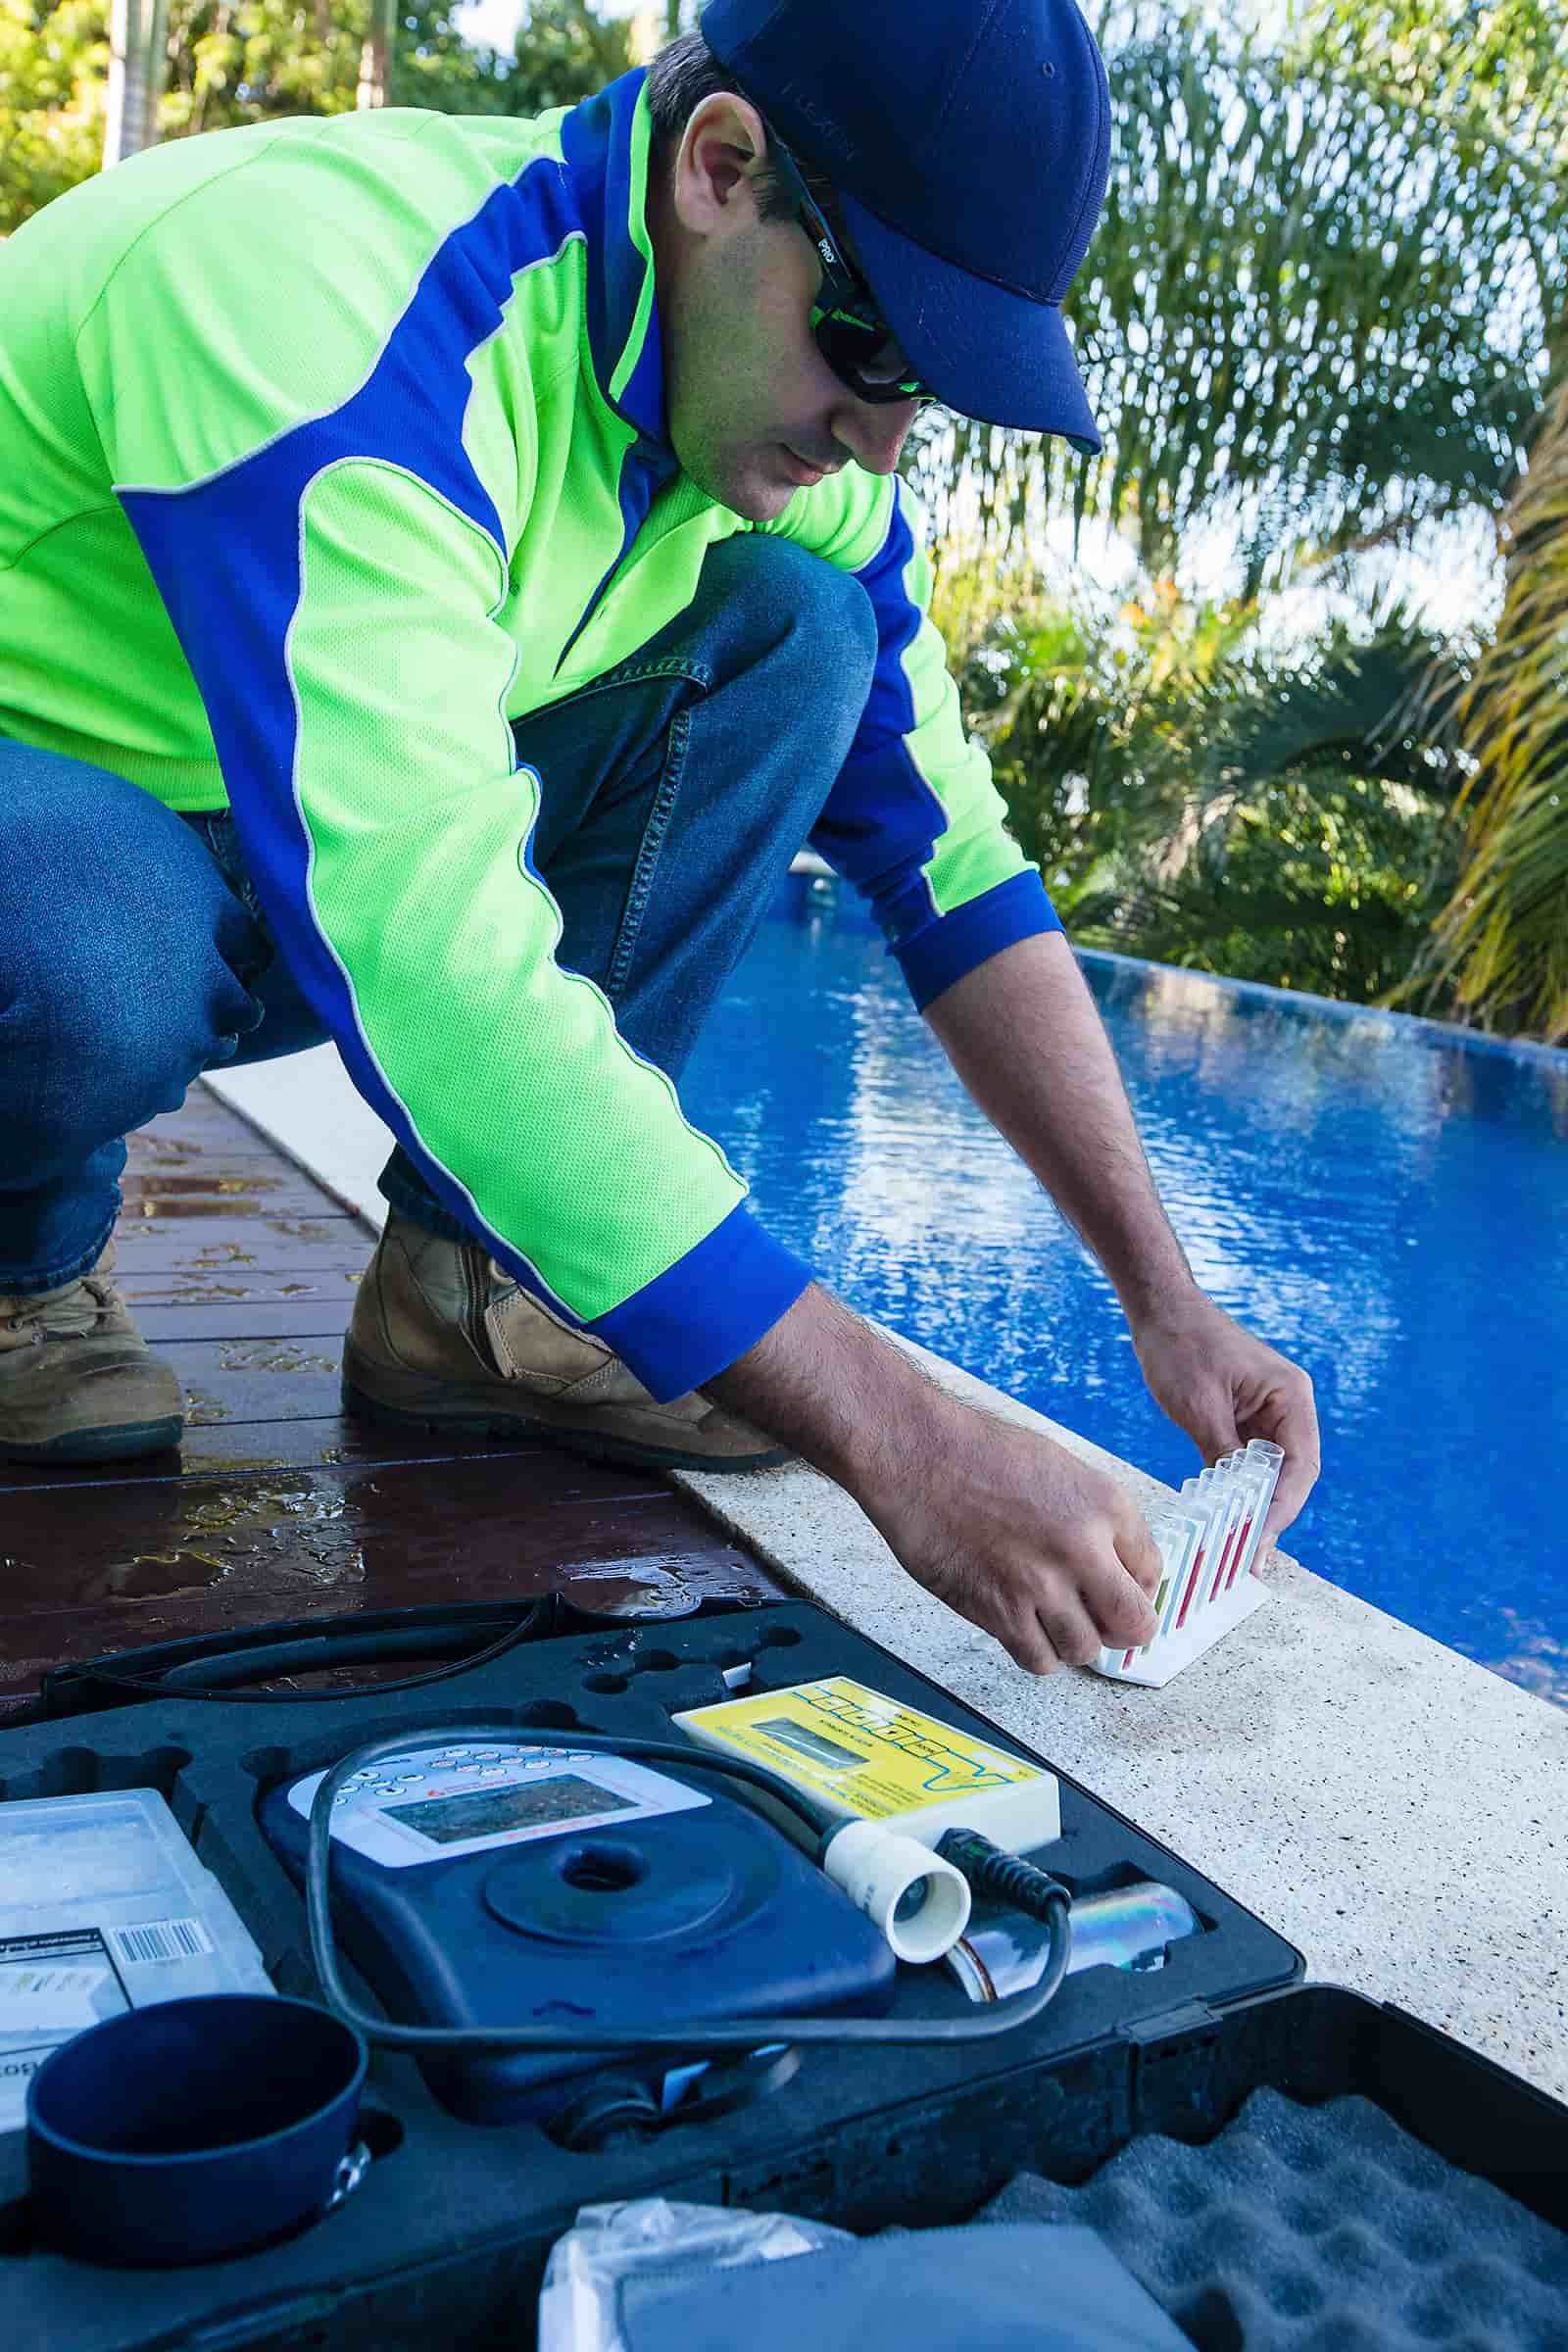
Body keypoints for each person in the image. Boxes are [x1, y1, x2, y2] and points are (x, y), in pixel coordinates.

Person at [0, 0, 1318, 1676]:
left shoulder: (769, 435)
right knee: (87, 935)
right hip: (51, 818)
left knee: (797, 635)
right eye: (875, 346)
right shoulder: (333, 306)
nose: (879, 434)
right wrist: (901, 1440)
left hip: (245, 850)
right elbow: (441, 978)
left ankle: (479, 1299)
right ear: (719, 169)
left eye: (932, 391)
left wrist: (1168, 1300)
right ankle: (17, 1272)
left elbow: (958, 870)